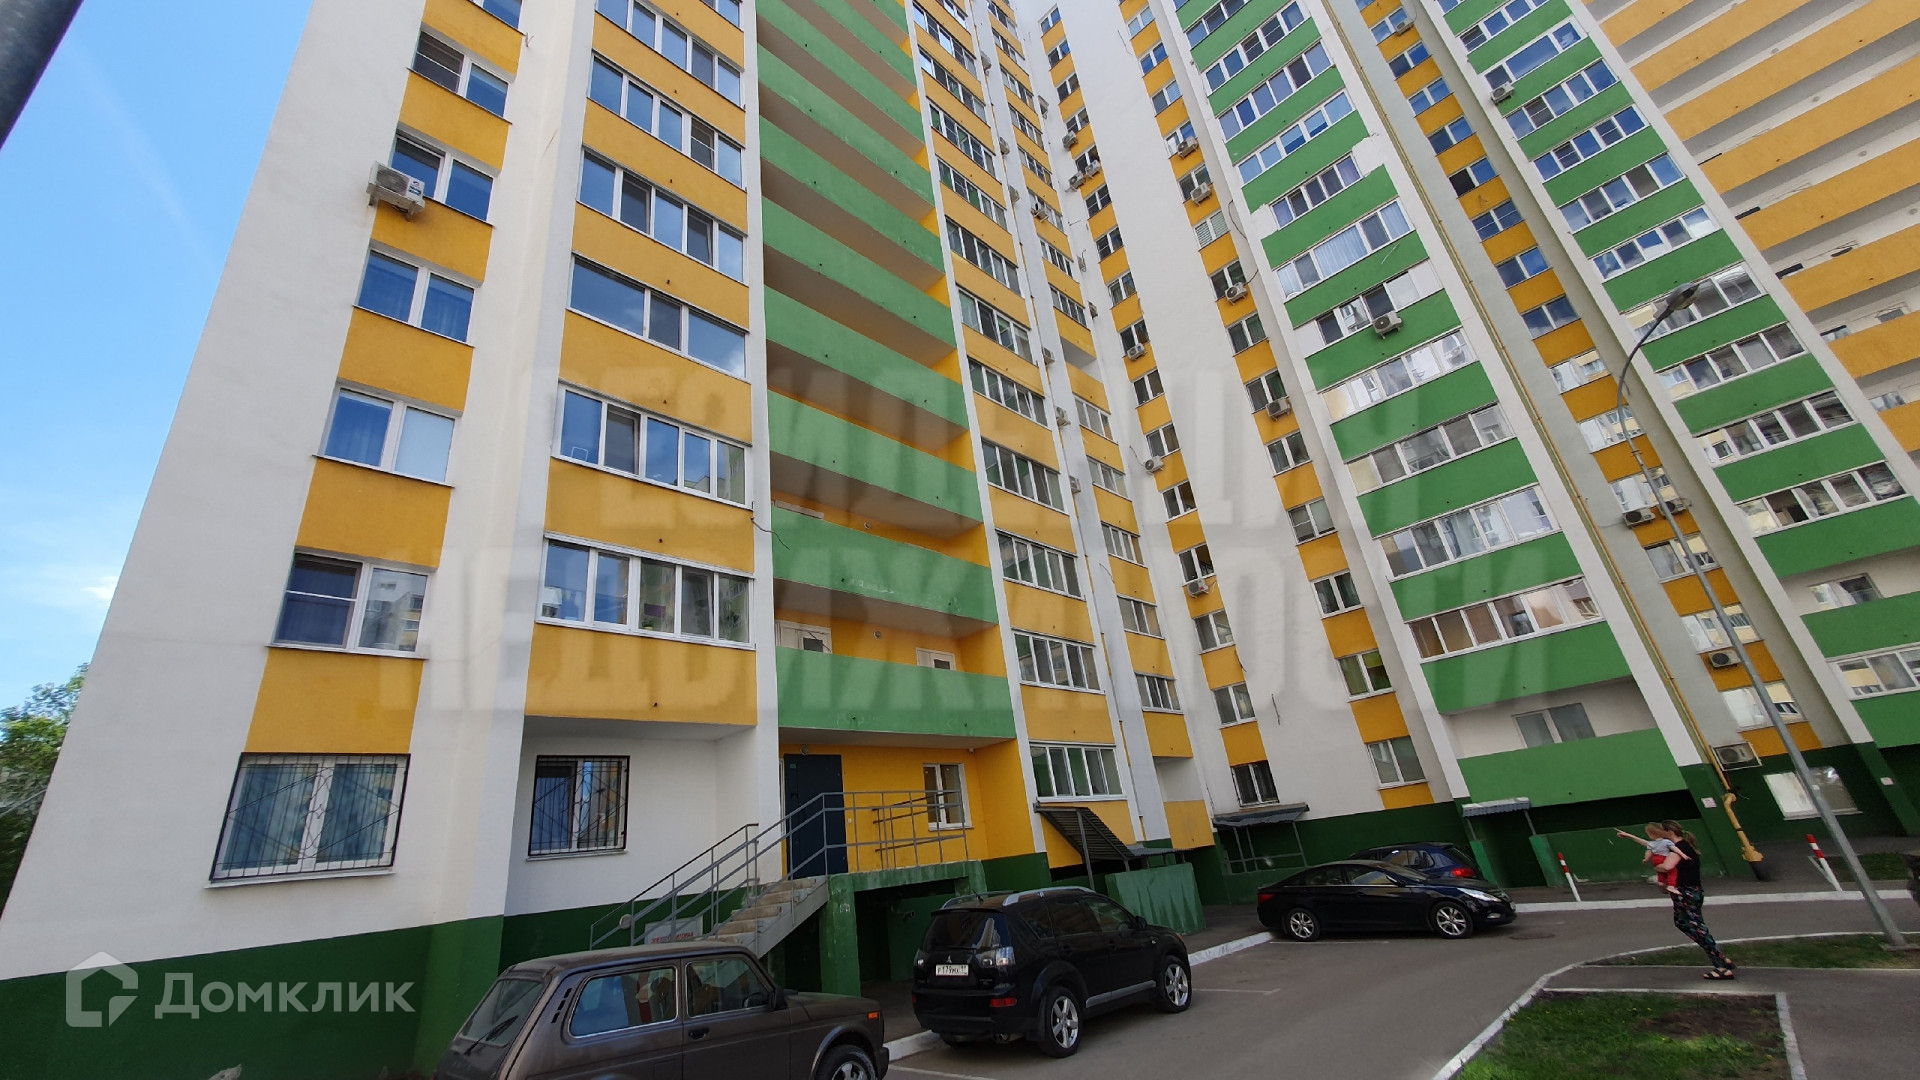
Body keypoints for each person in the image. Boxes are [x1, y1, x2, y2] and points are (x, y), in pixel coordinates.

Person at [1658, 820, 1734, 979]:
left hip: (1687, 892)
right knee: (1682, 922)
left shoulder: (1679, 848)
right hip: (1691, 891)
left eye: (1662, 832)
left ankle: (1721, 967)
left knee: (1697, 927)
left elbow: (1667, 866)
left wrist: (1657, 868)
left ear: (1669, 832)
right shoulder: (1686, 846)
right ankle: (1719, 957)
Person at [1615, 824, 1684, 893]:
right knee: (1672, 871)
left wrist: (1646, 859)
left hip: (1656, 859)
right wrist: (1682, 855)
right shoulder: (1667, 842)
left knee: (1661, 872)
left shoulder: (1653, 843)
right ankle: (1671, 886)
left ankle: (1661, 882)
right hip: (1665, 859)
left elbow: (1647, 848)